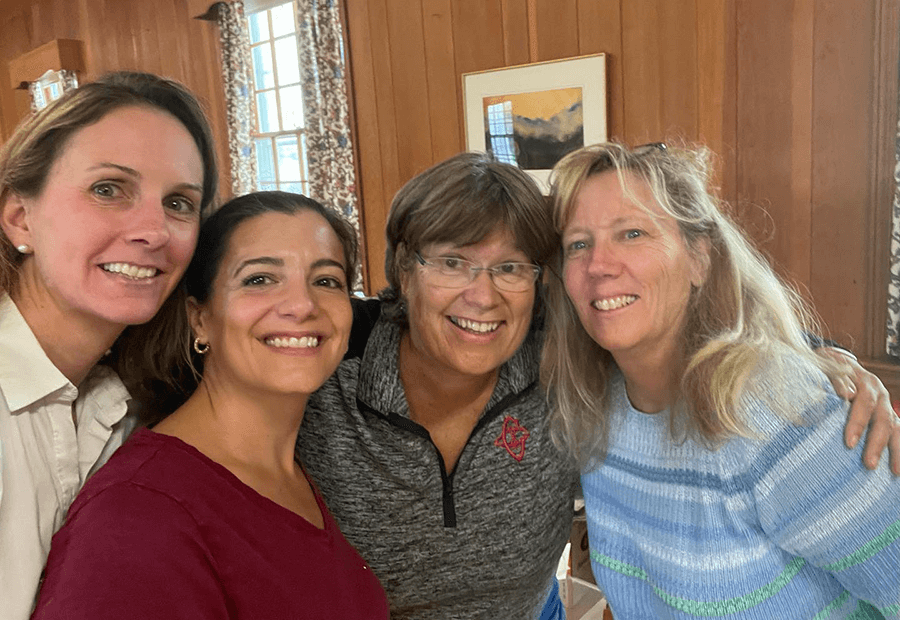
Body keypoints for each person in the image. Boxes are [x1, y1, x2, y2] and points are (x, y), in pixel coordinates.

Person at [296, 152, 900, 620]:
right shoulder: (326, 375)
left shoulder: (561, 367)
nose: (482, 296)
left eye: (510, 267)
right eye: (452, 262)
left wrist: (816, 362)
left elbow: (691, 344)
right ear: (404, 270)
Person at [542, 142, 900, 619]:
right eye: (578, 244)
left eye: (631, 233)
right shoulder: (594, 404)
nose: (599, 264)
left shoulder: (781, 412)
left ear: (699, 260)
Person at [32, 192, 389, 619]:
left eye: (326, 280)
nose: (303, 305)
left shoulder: (291, 471)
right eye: (259, 279)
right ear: (199, 318)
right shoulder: (138, 516)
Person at [0, 71, 217, 620]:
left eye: (179, 203)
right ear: (20, 217)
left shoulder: (134, 403)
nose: (154, 230)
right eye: (108, 189)